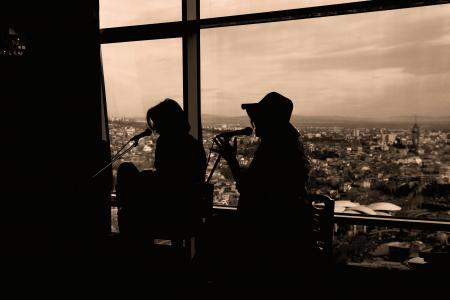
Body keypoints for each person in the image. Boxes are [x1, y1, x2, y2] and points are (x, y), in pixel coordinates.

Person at [213, 92, 313, 283]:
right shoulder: (288, 147)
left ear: (269, 121)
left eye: (258, 119)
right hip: (284, 232)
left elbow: (248, 188)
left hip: (268, 234)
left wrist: (231, 160)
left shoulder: (273, 150)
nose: (254, 124)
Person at [116, 99, 207, 243]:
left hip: (170, 210)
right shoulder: (193, 144)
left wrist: (147, 176)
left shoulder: (166, 142)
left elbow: (168, 181)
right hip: (186, 211)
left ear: (168, 121)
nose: (155, 128)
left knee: (126, 170)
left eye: (157, 122)